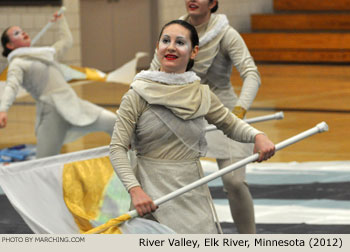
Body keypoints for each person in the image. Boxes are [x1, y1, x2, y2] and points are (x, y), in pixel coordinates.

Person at [110, 19, 275, 234]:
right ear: (157, 48)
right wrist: (135, 190)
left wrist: (258, 135)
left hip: (191, 190)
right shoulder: (137, 94)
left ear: (194, 51)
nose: (171, 47)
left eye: (180, 42)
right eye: (165, 41)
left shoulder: (201, 94)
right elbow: (117, 148)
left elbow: (230, 124)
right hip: (150, 192)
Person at [149, 0, 261, 234]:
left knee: (234, 182)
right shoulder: (175, 32)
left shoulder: (226, 34)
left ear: (212, 3)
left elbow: (251, 74)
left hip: (223, 112)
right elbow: (152, 75)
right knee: (165, 181)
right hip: (183, 114)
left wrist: (239, 110)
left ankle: (249, 241)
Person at [0, 12, 116, 158]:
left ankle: (132, 161)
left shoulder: (46, 54)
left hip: (74, 105)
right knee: (43, 161)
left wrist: (61, 21)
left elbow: (67, 41)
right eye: (17, 33)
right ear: (10, 45)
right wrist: (3, 109)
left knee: (114, 122)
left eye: (22, 30)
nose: (22, 33)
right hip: (52, 112)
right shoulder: (17, 63)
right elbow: (11, 86)